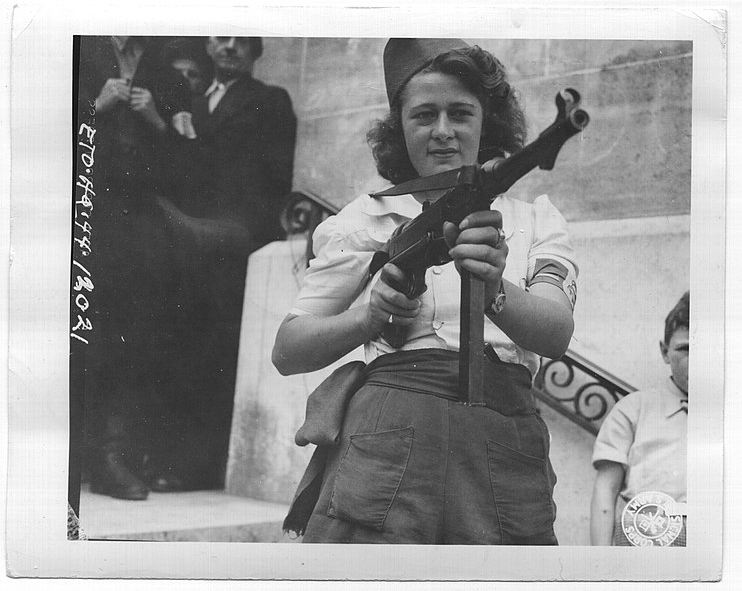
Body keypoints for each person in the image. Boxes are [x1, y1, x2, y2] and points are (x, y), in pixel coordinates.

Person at [273, 38, 579, 544]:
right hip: (386, 440)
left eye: (460, 113)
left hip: (504, 441)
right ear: (400, 128)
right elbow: (288, 350)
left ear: (488, 123)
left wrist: (492, 291)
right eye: (423, 115)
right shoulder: (362, 221)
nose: (443, 131)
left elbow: (555, 333)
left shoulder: (536, 220)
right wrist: (368, 317)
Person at [160, 36, 297, 490]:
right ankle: (162, 457)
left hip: (231, 241)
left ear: (257, 51)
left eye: (242, 41)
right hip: (184, 243)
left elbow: (273, 179)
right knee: (176, 345)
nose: (231, 47)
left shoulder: (270, 101)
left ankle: (197, 467)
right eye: (222, 38)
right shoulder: (190, 100)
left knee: (213, 350)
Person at [77, 35, 193, 500]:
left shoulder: (166, 70)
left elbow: (190, 166)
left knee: (132, 335)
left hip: (142, 220)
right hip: (81, 212)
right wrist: (94, 107)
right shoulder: (80, 46)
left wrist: (157, 122)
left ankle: (112, 455)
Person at [590, 291, 689, 547]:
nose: (696, 360)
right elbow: (605, 490)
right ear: (665, 351)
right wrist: (600, 564)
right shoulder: (634, 409)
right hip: (644, 535)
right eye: (684, 349)